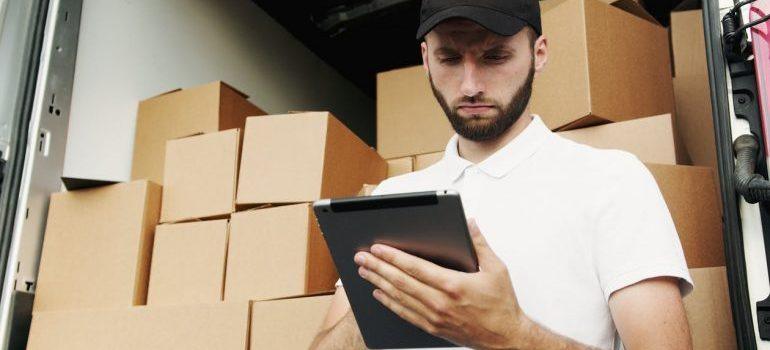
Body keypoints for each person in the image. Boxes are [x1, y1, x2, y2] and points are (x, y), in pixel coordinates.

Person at [310, 1, 693, 349]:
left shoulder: (613, 180)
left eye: (494, 56)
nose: (470, 85)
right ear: (426, 59)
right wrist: (380, 305)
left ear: (538, 53)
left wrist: (511, 333)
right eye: (449, 58)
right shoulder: (391, 197)